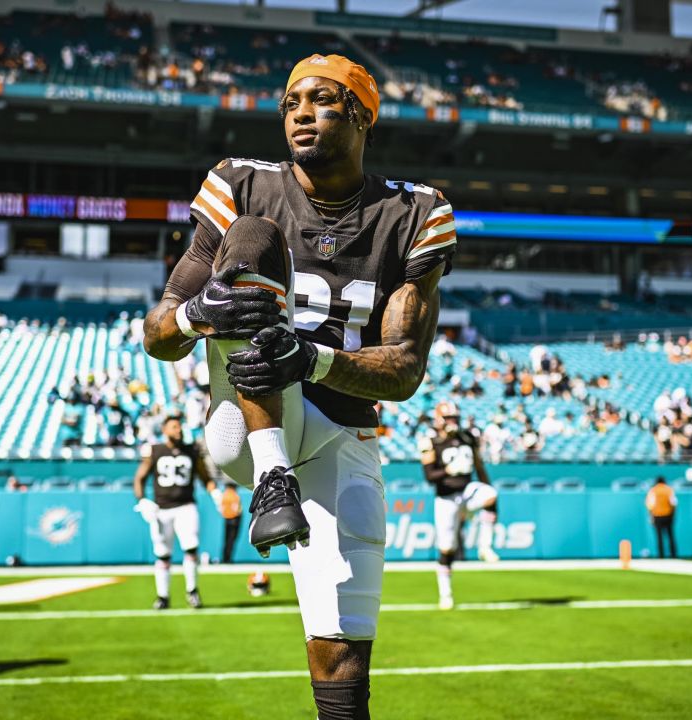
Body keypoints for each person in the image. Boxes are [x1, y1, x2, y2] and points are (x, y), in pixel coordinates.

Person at [142, 53, 452, 718]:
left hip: (342, 431)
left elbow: (404, 369)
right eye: (291, 104)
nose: (302, 114)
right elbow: (159, 334)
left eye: (321, 100)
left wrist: (306, 358)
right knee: (251, 238)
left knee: (341, 653)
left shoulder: (413, 212)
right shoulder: (243, 184)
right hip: (244, 425)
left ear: (363, 113)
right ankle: (272, 474)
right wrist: (201, 315)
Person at [133, 415, 220, 610]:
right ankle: (162, 596)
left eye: (179, 427)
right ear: (164, 430)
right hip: (162, 509)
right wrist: (141, 501)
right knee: (163, 554)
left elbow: (205, 475)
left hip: (186, 506)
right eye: (173, 427)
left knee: (191, 548)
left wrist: (214, 492)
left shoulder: (191, 450)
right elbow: (139, 478)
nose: (178, 430)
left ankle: (192, 592)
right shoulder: (155, 451)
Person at [421, 401, 499, 610]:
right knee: (447, 549)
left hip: (466, 491)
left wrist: (485, 484)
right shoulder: (431, 441)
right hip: (446, 498)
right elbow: (429, 476)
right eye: (449, 418)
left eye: (455, 418)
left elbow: (479, 465)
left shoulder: (468, 437)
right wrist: (449, 469)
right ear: (439, 419)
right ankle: (445, 594)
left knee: (490, 495)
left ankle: (485, 546)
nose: (453, 422)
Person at [645, 476, 677, 558]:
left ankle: (661, 556)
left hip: (657, 515)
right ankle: (673, 555)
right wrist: (673, 514)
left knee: (659, 537)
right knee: (670, 536)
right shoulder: (669, 490)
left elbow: (650, 505)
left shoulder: (653, 490)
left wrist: (651, 516)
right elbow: (673, 503)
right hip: (668, 515)